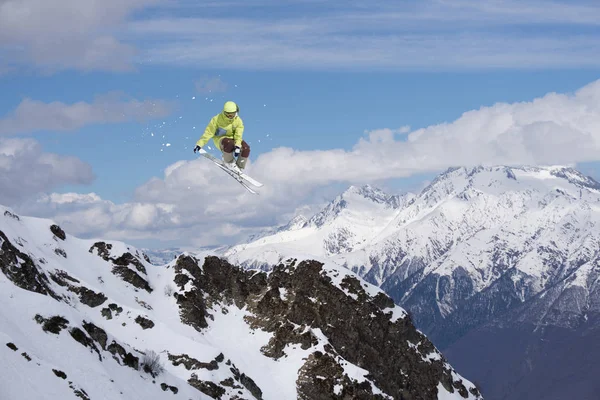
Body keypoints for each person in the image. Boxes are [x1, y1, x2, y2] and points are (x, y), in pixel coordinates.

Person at [193, 101, 250, 171]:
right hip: (221, 140)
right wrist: (199, 144)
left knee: (246, 148)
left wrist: (238, 145)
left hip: (234, 139)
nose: (230, 117)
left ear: (236, 112)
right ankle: (228, 162)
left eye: (232, 114)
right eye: (228, 114)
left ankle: (239, 167)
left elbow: (238, 135)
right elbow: (209, 132)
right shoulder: (216, 119)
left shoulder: (238, 121)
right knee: (229, 143)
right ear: (224, 112)